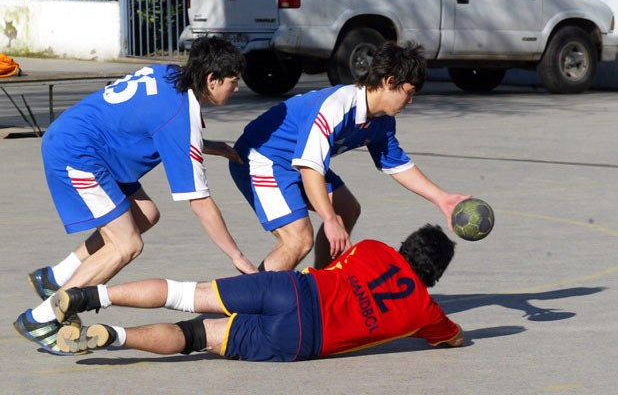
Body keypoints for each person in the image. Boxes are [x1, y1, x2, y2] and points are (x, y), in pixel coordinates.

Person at [13, 37, 259, 356]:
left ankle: (56, 277)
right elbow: (199, 202)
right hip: (78, 153)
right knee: (126, 244)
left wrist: (207, 145)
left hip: (89, 142)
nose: (237, 88)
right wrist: (237, 256)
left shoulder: (169, 74)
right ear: (212, 79)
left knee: (145, 214)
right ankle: (40, 319)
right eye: (233, 81)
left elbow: (150, 120)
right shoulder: (178, 113)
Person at [51, 224, 464, 360]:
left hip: (291, 289)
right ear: (435, 274)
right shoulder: (426, 313)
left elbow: (331, 265)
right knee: (198, 335)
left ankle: (89, 297)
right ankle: (114, 336)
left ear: (406, 244)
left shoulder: (373, 249)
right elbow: (455, 338)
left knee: (187, 293)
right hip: (301, 337)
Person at [228, 41, 470, 271]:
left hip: (295, 161)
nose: (411, 101)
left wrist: (441, 198)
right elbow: (310, 168)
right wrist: (329, 219)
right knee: (298, 239)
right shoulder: (337, 107)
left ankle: (322, 285)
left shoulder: (382, 121)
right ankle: (249, 299)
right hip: (261, 158)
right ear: (389, 82)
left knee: (346, 208)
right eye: (409, 92)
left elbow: (398, 166)